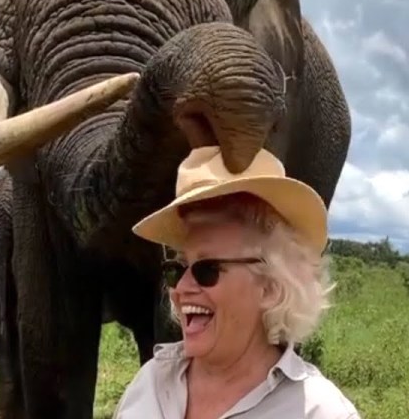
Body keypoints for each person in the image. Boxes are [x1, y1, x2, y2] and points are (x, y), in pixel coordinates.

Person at [112, 146, 361, 419]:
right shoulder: (150, 383)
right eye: (176, 269)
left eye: (208, 270)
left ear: (270, 287)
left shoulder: (318, 412)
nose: (181, 289)